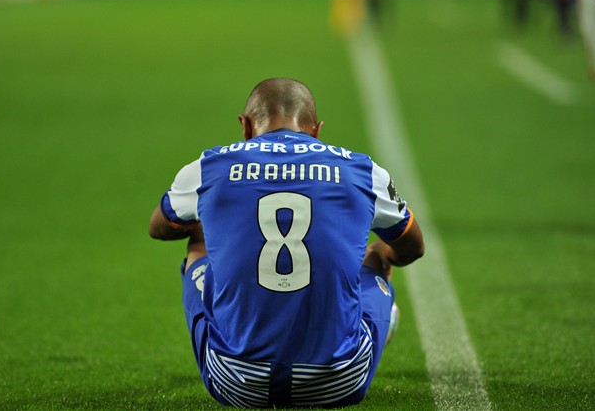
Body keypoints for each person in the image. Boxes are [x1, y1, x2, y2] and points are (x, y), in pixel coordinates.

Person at [149, 78, 424, 408]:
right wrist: (380, 253)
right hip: (339, 382)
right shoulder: (364, 170)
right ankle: (378, 317)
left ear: (245, 126)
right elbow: (414, 246)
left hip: (236, 384)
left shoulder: (209, 167)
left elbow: (159, 228)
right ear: (317, 131)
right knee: (374, 259)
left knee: (198, 241)